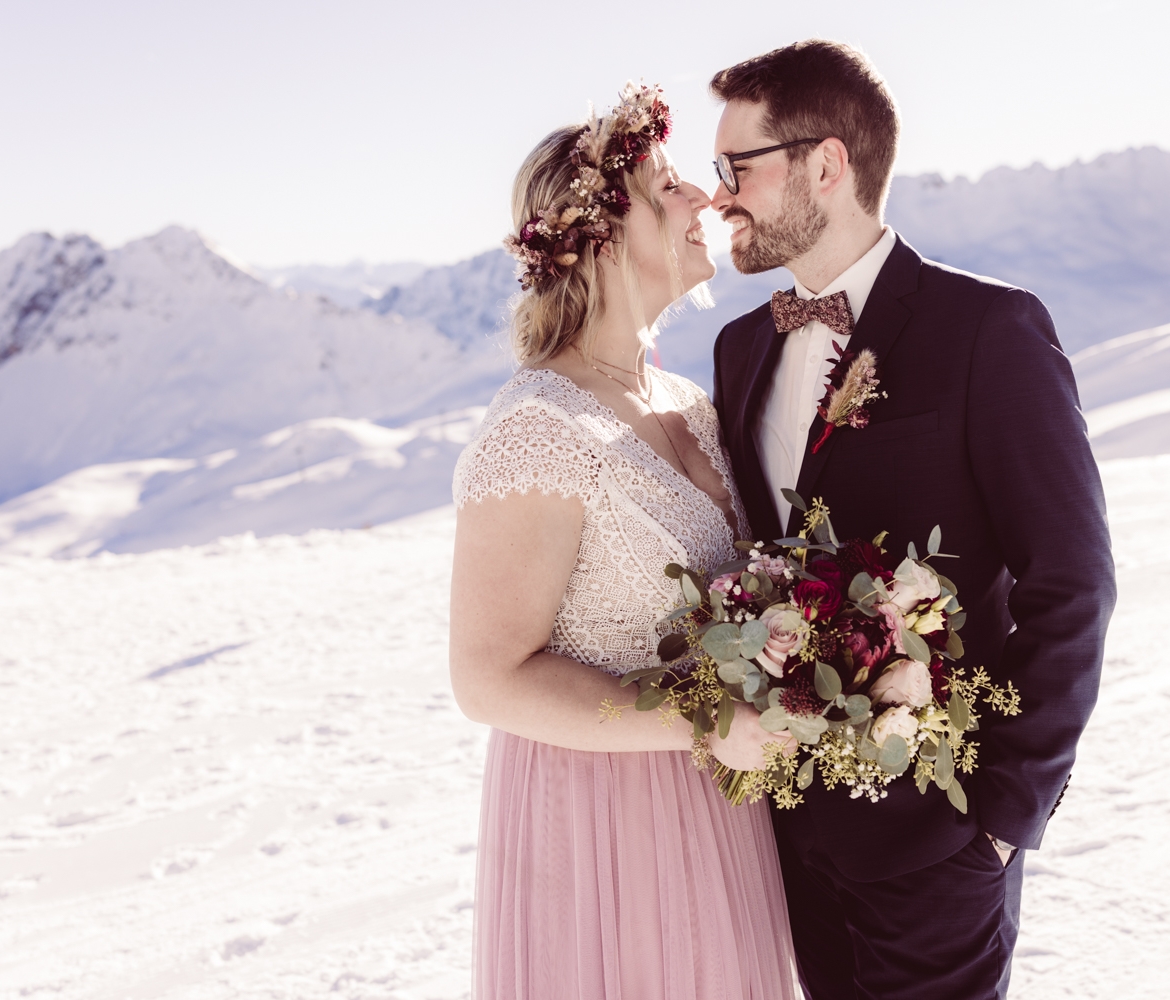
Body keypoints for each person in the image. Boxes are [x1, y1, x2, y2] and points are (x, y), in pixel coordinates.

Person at [707, 42, 1117, 999]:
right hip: (791, 833)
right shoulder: (738, 350)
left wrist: (1004, 812)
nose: (720, 194)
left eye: (738, 168)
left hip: (941, 832)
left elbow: (1072, 577)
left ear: (825, 164)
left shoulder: (989, 330)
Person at [449, 84, 798, 999]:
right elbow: (489, 676)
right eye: (667, 190)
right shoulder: (536, 431)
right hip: (599, 827)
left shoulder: (690, 404)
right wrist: (704, 724)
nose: (704, 202)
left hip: (723, 809)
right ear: (601, 237)